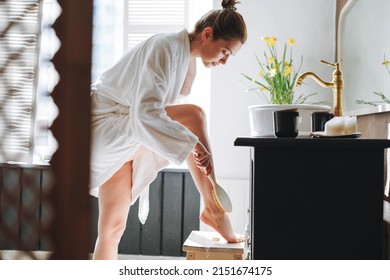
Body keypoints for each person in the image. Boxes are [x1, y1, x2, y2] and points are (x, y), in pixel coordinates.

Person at [90, 0, 247, 260]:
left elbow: (153, 113)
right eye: (225, 52)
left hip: (122, 133)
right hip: (105, 127)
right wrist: (193, 143)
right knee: (194, 115)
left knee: (112, 229)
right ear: (207, 34)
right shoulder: (166, 46)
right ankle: (215, 209)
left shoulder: (185, 58)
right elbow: (146, 112)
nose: (224, 61)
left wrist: (190, 142)